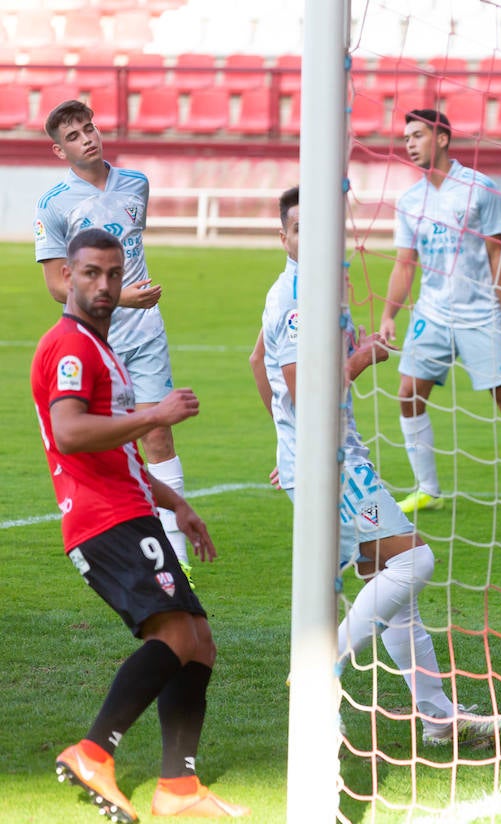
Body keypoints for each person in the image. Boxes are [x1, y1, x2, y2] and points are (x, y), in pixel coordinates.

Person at [249, 187, 501, 746]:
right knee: (413, 562)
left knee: (392, 588)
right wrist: (363, 358)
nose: (311, 237)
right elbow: (305, 393)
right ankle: (324, 667)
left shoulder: (317, 285)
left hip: (326, 457)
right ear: (284, 237)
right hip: (334, 466)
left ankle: (438, 719)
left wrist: (286, 444)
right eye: (299, 229)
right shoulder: (299, 297)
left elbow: (257, 361)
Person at [33, 228, 247, 820]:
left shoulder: (101, 350)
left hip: (130, 510)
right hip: (104, 520)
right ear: (67, 278)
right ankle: (94, 753)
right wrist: (154, 412)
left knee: (198, 642)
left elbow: (118, 451)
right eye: (90, 274)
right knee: (176, 636)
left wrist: (174, 502)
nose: (103, 285)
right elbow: (71, 434)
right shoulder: (71, 347)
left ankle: (177, 788)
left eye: (112, 274)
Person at [34, 100, 197, 587]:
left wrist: (134, 299)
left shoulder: (136, 184)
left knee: (158, 434)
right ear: (59, 149)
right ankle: (112, 537)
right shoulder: (54, 203)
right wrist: (120, 296)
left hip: (145, 334)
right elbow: (56, 286)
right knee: (100, 445)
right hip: (94, 340)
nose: (87, 138)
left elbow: (131, 248)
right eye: (74, 135)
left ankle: (176, 551)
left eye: (89, 128)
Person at [378, 109, 501, 520]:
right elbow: (404, 263)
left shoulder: (480, 189)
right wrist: (390, 314)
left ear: (442, 139)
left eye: (418, 135)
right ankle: (428, 490)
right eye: (406, 137)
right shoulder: (410, 201)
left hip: (481, 314)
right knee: (408, 394)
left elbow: (497, 254)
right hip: (432, 313)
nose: (409, 143)